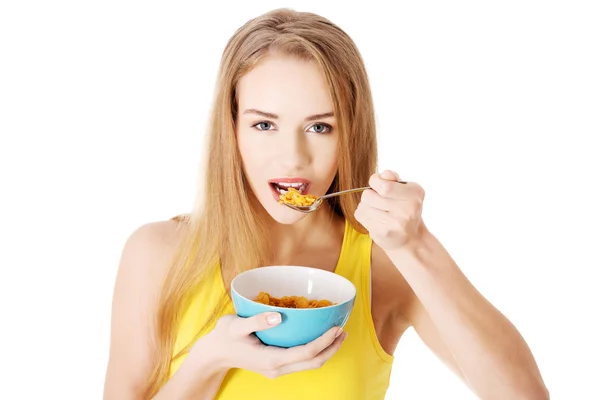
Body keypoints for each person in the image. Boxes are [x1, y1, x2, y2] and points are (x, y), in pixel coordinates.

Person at [103, 8, 548, 400]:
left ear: (350, 133)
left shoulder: (384, 265)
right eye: (264, 125)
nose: (293, 157)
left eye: (319, 128)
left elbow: (525, 396)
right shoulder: (158, 253)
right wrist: (208, 362)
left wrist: (415, 246)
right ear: (232, 130)